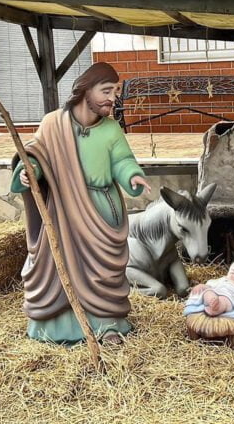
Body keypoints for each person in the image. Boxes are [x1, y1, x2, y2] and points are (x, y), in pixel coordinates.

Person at [10, 62, 151, 345]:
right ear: (85, 90)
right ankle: (57, 327)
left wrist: (132, 175)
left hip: (101, 210)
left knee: (104, 273)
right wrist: (29, 172)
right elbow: (37, 155)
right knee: (58, 266)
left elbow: (122, 161)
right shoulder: (53, 124)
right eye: (107, 90)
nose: (113, 98)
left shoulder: (111, 129)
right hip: (61, 210)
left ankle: (107, 325)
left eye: (116, 91)